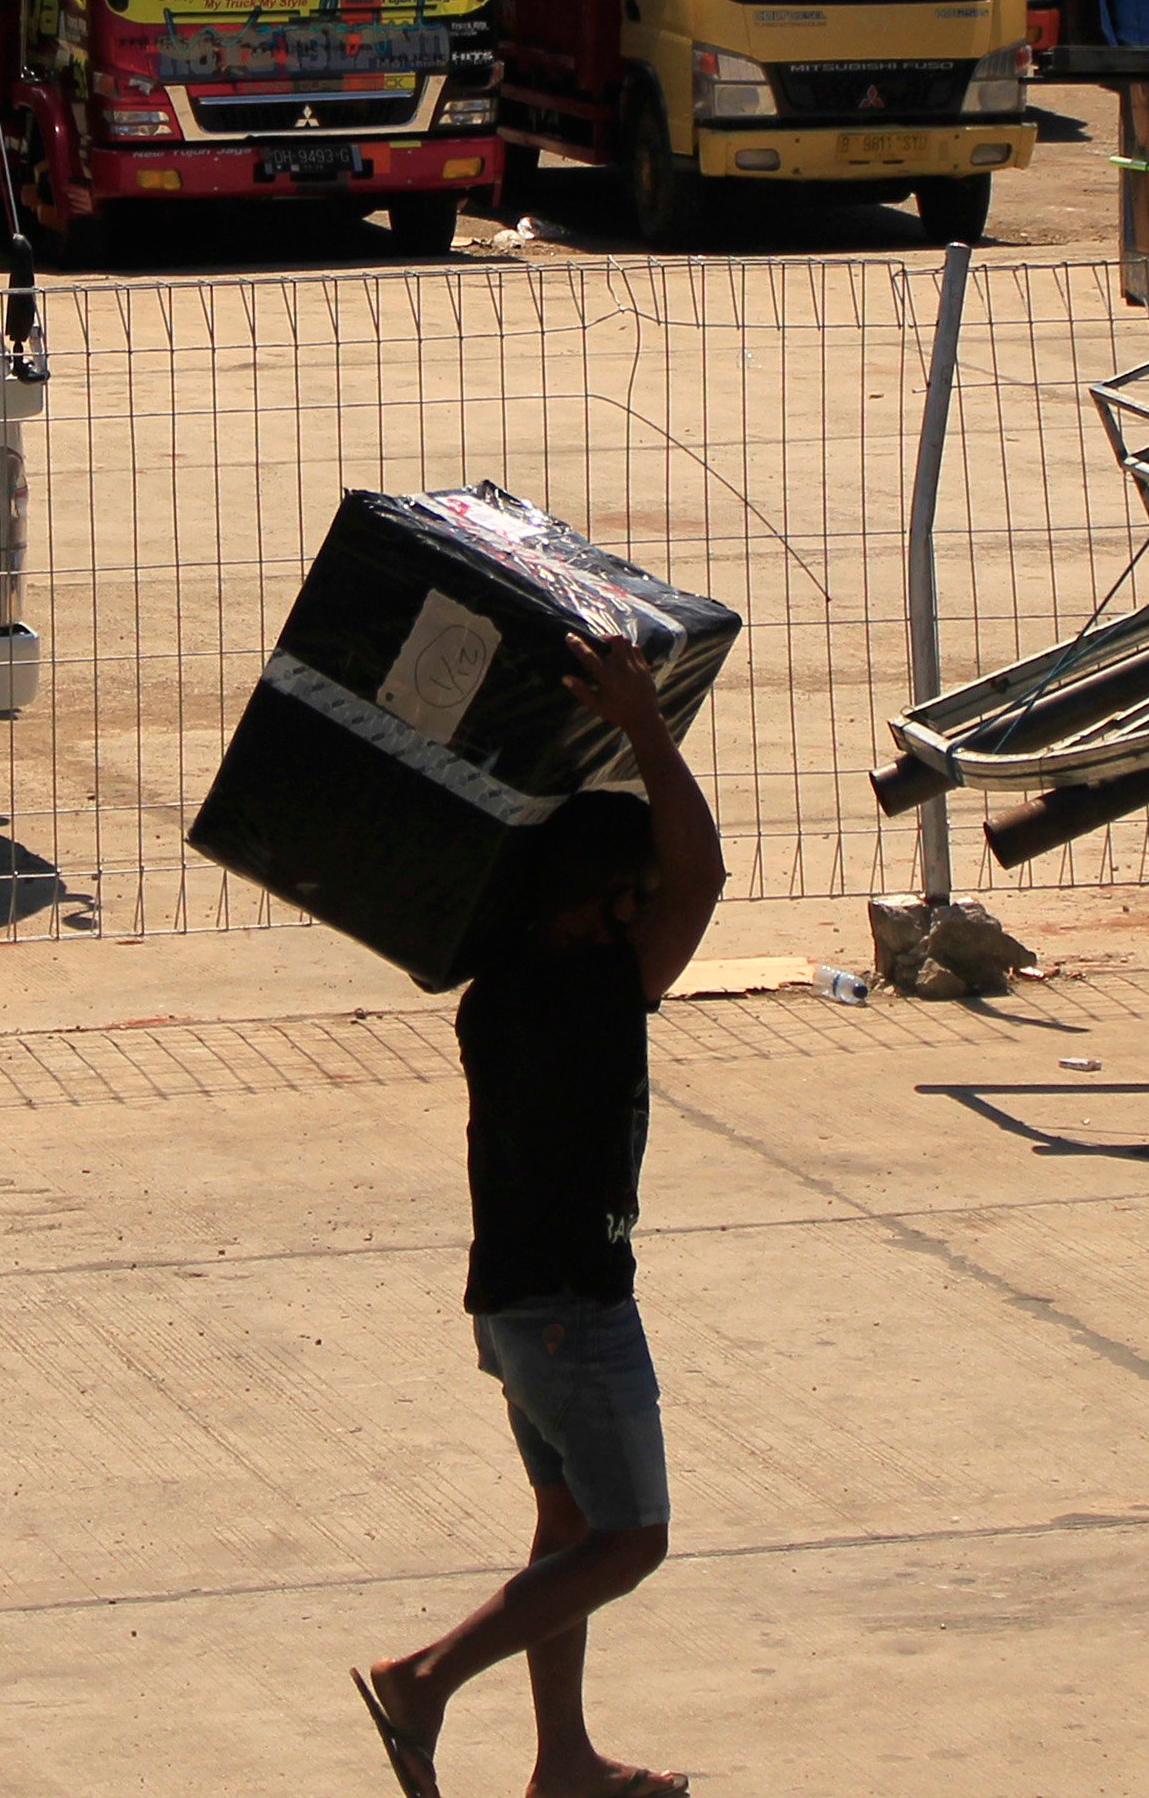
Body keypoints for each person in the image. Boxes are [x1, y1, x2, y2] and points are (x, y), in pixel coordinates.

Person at [357, 632, 725, 1798]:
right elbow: (704, 876)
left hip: (513, 1306)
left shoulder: (498, 988)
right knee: (630, 1543)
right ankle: (422, 1679)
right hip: (570, 1306)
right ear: (602, 903)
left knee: (567, 1530)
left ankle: (561, 1760)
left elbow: (669, 881)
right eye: (636, 900)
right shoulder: (595, 994)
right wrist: (644, 730)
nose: (651, 915)